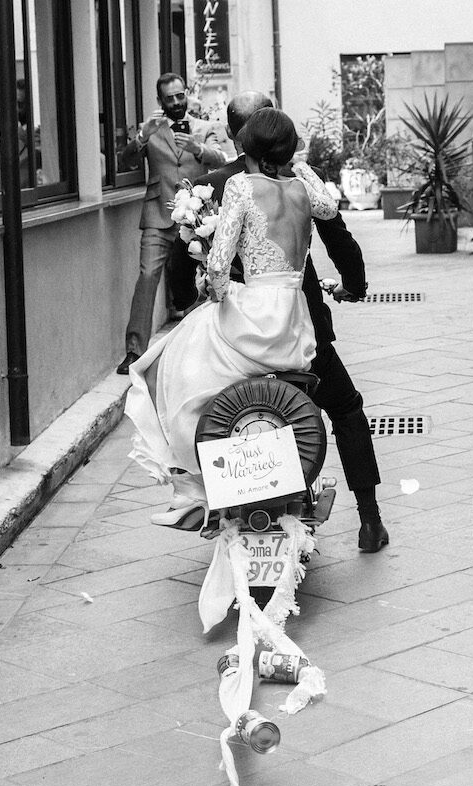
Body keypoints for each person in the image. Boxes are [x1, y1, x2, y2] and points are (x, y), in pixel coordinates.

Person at [160, 91, 388, 553]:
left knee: (189, 383)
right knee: (345, 409)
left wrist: (198, 298)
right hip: (300, 327)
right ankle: (369, 518)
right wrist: (354, 285)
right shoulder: (305, 184)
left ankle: (205, 496)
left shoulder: (217, 184)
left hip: (240, 326)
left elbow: (186, 261)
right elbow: (339, 238)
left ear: (236, 134)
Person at [124, 108, 338, 526]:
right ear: (287, 150)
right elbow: (329, 209)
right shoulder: (301, 191)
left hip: (252, 317)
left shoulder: (240, 185)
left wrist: (215, 295)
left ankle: (192, 489)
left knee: (169, 365)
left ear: (246, 148)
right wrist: (303, 166)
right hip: (294, 324)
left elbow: (219, 264)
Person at [116, 73, 225, 375]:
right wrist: (140, 137)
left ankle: (197, 347)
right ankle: (134, 351)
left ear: (186, 95)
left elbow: (222, 160)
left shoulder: (204, 129)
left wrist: (197, 149)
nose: (176, 102)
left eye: (180, 96)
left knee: (200, 280)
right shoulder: (150, 129)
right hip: (157, 214)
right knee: (147, 275)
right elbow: (124, 162)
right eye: (170, 98)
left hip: (196, 218)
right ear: (160, 101)